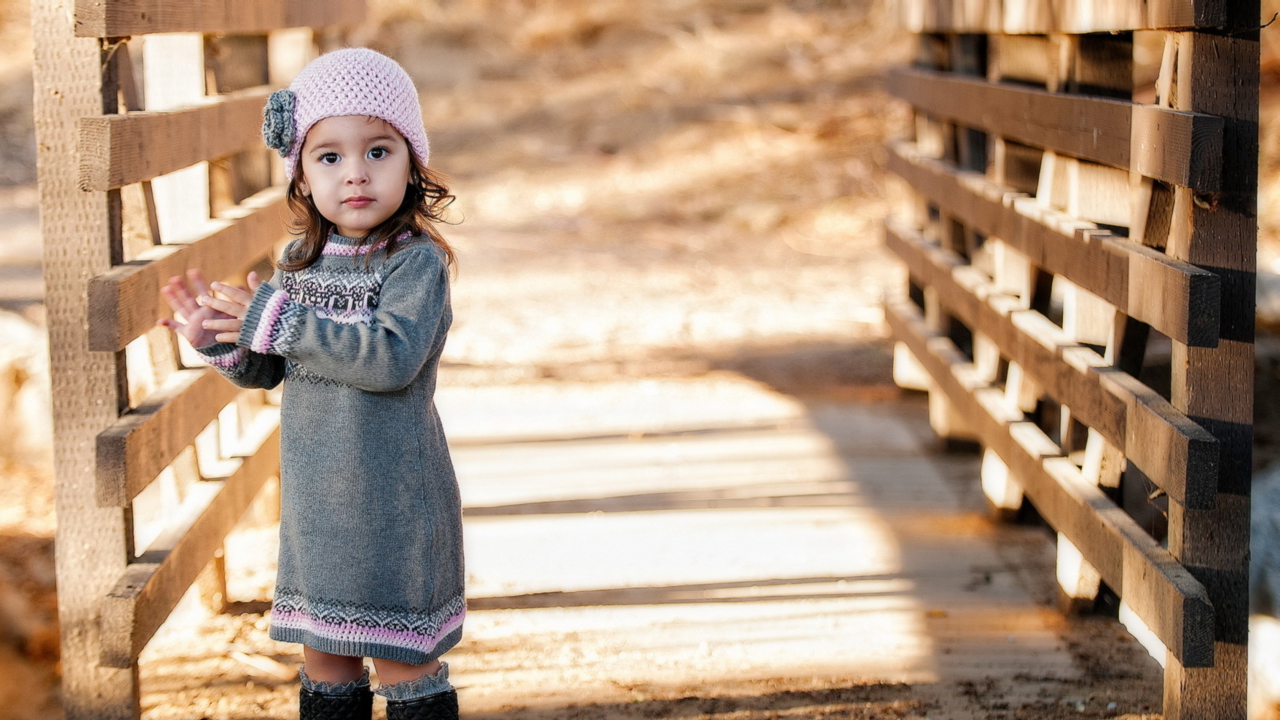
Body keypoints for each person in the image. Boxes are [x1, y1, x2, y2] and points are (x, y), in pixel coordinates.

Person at [156, 48, 463, 720]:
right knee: (326, 660)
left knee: (402, 658)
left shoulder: (415, 266)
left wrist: (276, 318)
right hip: (321, 512)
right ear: (300, 176)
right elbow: (274, 365)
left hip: (394, 509)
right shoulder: (298, 262)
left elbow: (387, 359)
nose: (355, 173)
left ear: (412, 163)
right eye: (329, 157)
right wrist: (220, 341)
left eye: (379, 151)